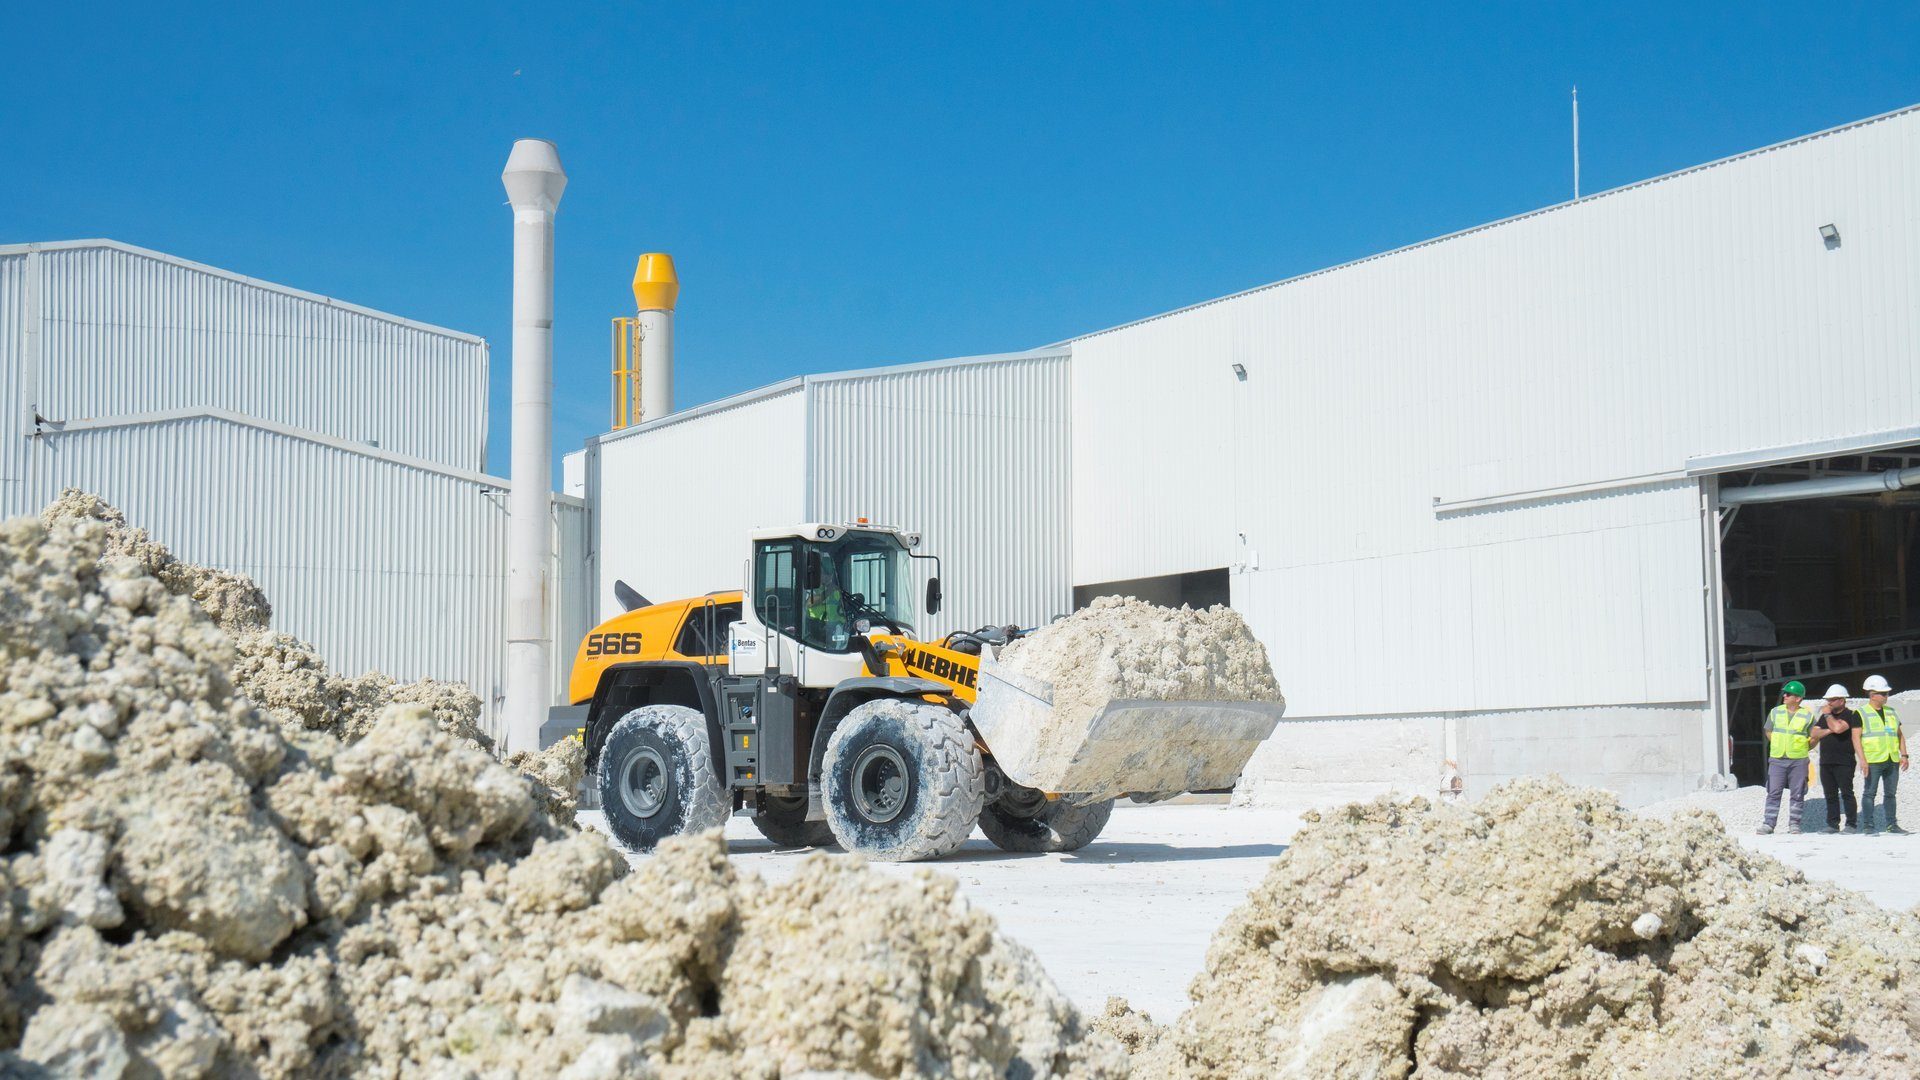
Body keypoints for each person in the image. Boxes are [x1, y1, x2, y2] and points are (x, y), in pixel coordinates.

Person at [1758, 681, 1816, 835]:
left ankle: (1794, 824)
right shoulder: (1775, 712)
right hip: (1777, 759)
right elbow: (1768, 731)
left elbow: (1814, 737)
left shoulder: (1808, 716)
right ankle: (1768, 824)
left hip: (1798, 760)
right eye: (1785, 693)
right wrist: (1779, 744)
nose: (1785, 696)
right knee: (1773, 792)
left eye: (1788, 694)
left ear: (1798, 698)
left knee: (1797, 793)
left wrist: (1802, 747)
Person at [1853, 674, 1908, 835]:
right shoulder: (1860, 713)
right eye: (1883, 693)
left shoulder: (1891, 712)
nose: (1886, 696)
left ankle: (1892, 825)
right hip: (1873, 760)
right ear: (1872, 694)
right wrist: (1862, 760)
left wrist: (1904, 755)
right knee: (1869, 793)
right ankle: (1868, 826)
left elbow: (1899, 735)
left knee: (1891, 794)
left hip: (1892, 759)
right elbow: (1855, 738)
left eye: (1886, 693)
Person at [1808, 684, 1858, 833]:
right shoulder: (1825, 718)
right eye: (1828, 700)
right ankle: (1832, 824)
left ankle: (1851, 824)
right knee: (1830, 794)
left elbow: (1839, 728)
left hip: (1844, 761)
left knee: (1847, 793)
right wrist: (1831, 729)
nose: (1828, 703)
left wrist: (1829, 718)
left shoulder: (1851, 715)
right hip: (1826, 761)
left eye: (1832, 700)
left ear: (1842, 700)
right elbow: (1814, 733)